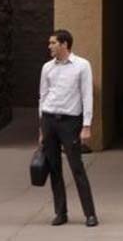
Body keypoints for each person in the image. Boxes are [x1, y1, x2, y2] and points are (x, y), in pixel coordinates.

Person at [38, 29, 99, 227]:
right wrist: (41, 127)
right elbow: (43, 96)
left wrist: (87, 125)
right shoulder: (47, 67)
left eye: (53, 43)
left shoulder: (82, 66)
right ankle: (61, 213)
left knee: (77, 168)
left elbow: (86, 95)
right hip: (49, 120)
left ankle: (90, 214)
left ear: (64, 44)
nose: (49, 46)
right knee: (54, 168)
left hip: (70, 122)